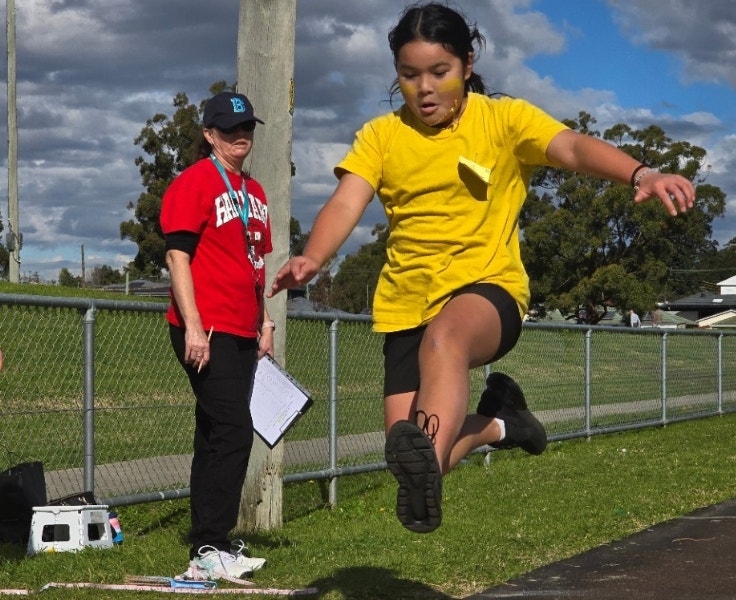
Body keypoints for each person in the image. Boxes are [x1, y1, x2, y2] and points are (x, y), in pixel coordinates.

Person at [269, 2, 696, 534]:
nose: (424, 88)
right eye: (409, 75)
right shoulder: (381, 136)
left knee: (443, 342)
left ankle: (492, 418)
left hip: (486, 292)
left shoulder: (503, 120)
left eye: (439, 72)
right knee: (419, 463)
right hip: (406, 307)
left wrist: (640, 173)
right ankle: (503, 424)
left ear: (468, 65)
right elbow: (345, 201)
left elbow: (572, 147)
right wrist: (315, 254)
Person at [160, 91, 274, 578]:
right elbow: (176, 257)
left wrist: (264, 321)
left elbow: (256, 264)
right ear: (209, 134)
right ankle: (212, 545)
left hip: (242, 329)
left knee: (213, 433)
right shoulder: (195, 182)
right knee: (232, 431)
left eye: (246, 126)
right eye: (229, 129)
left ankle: (206, 542)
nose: (240, 135)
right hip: (205, 329)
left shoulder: (256, 192)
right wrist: (193, 326)